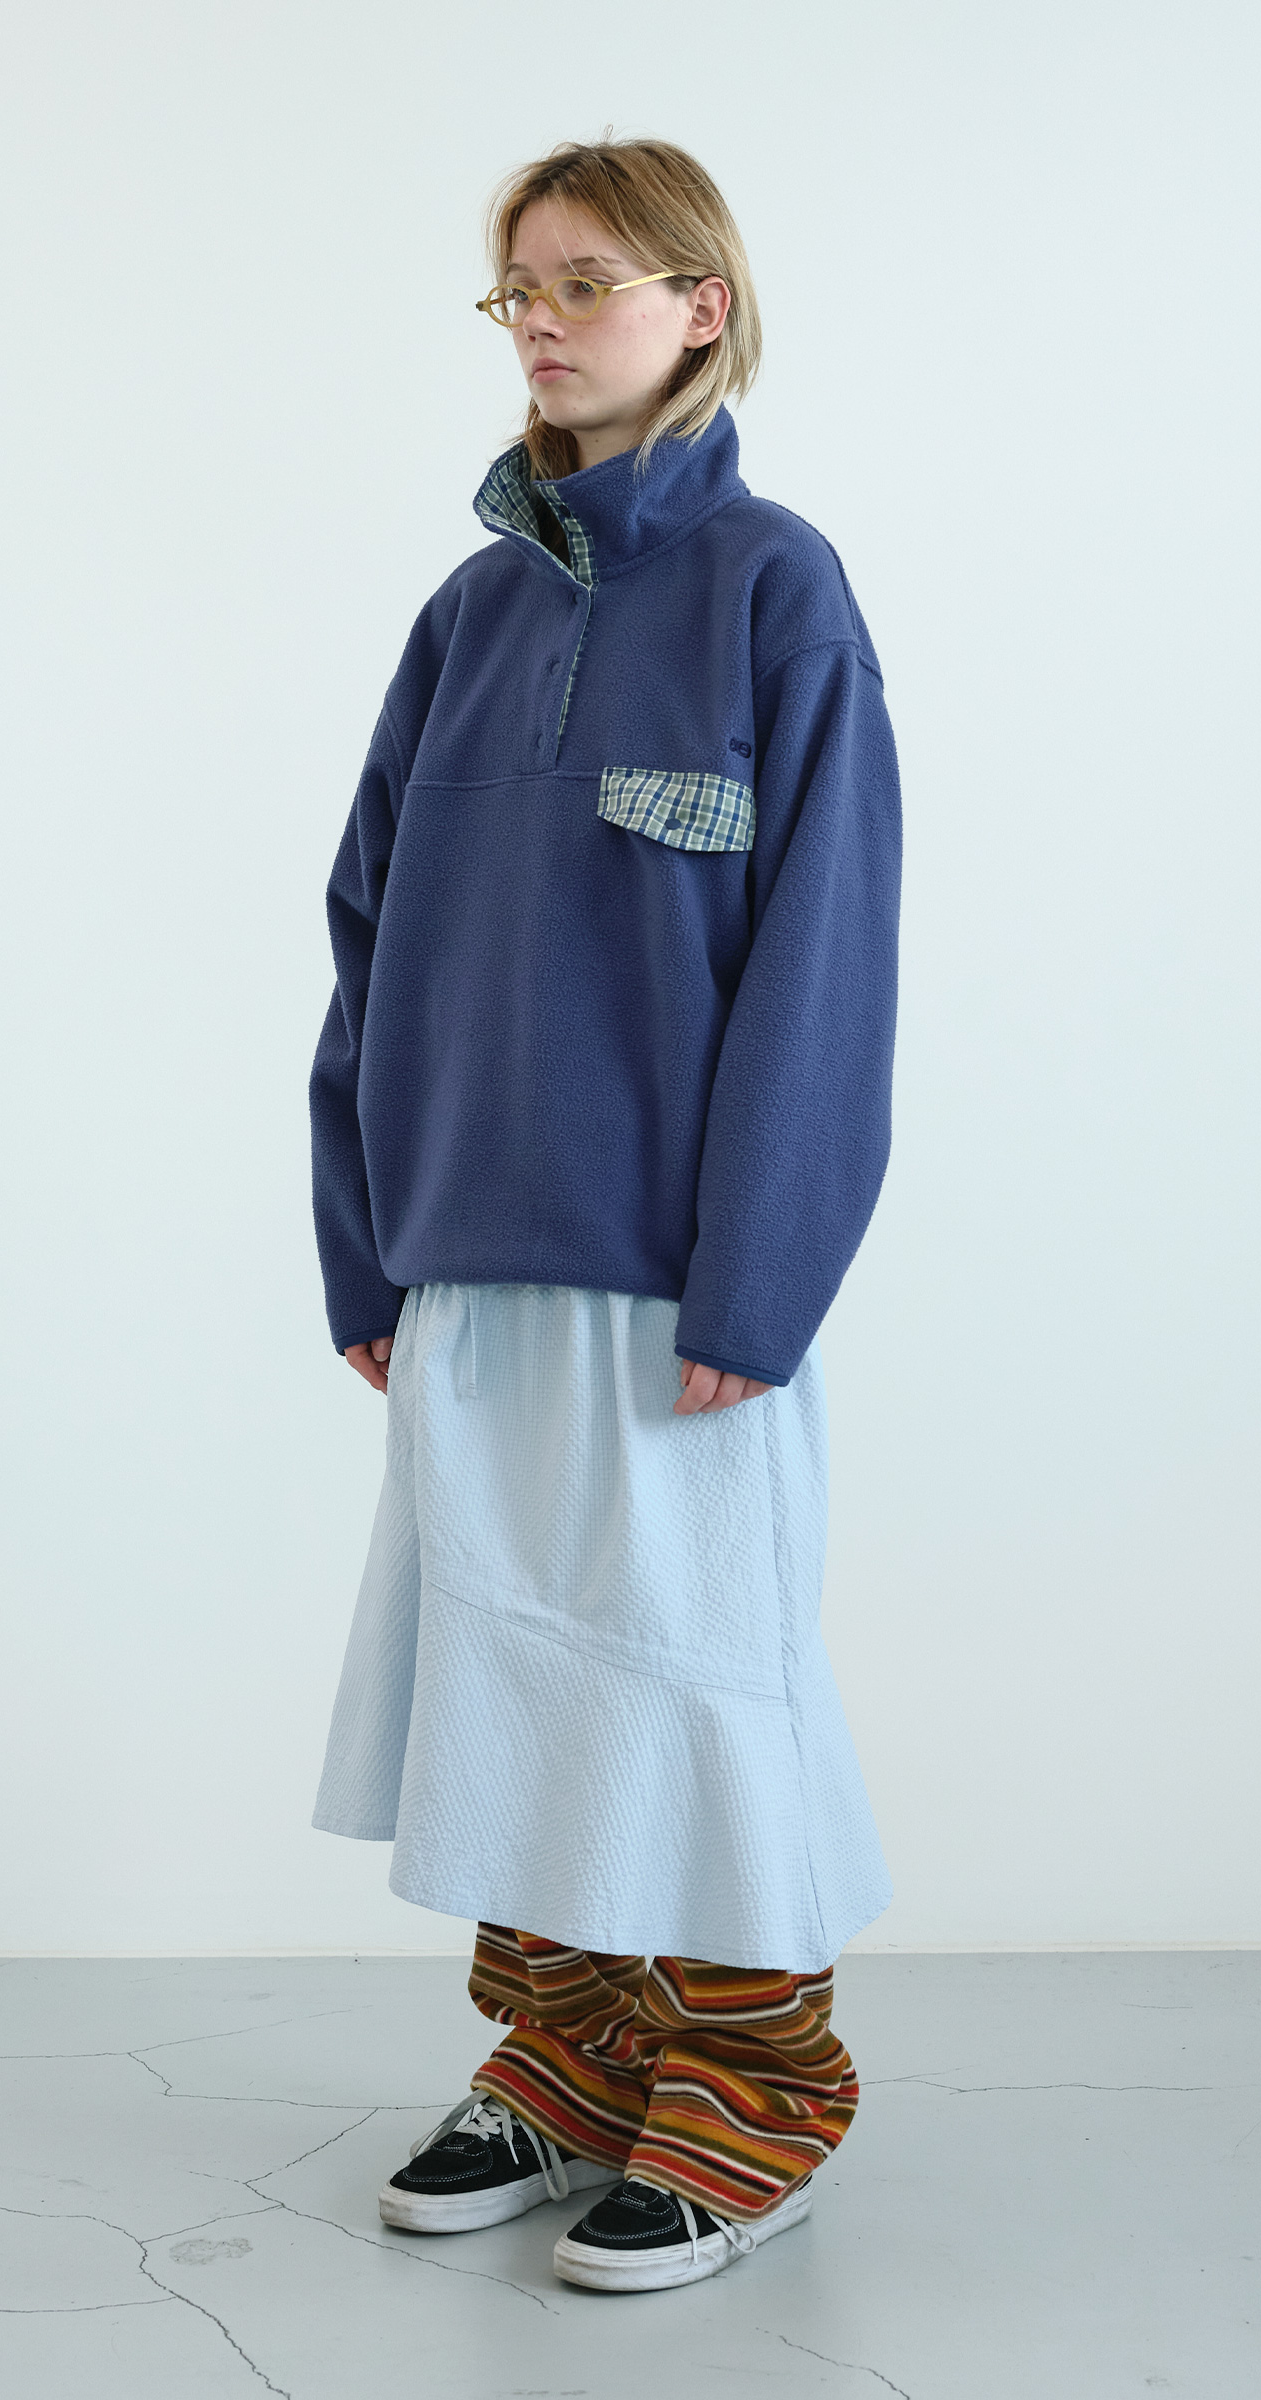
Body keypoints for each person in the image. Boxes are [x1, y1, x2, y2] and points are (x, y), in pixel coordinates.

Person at [308, 134, 900, 2295]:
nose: (543, 322)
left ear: (698, 305)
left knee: (692, 1680)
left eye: (587, 282)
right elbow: (367, 942)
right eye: (519, 290)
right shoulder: (465, 620)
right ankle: (567, 2058)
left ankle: (757, 2084)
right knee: (504, 1680)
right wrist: (362, 1239)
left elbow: (826, 963)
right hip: (464, 1261)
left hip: (680, 1288)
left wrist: (761, 1277)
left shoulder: (773, 592)